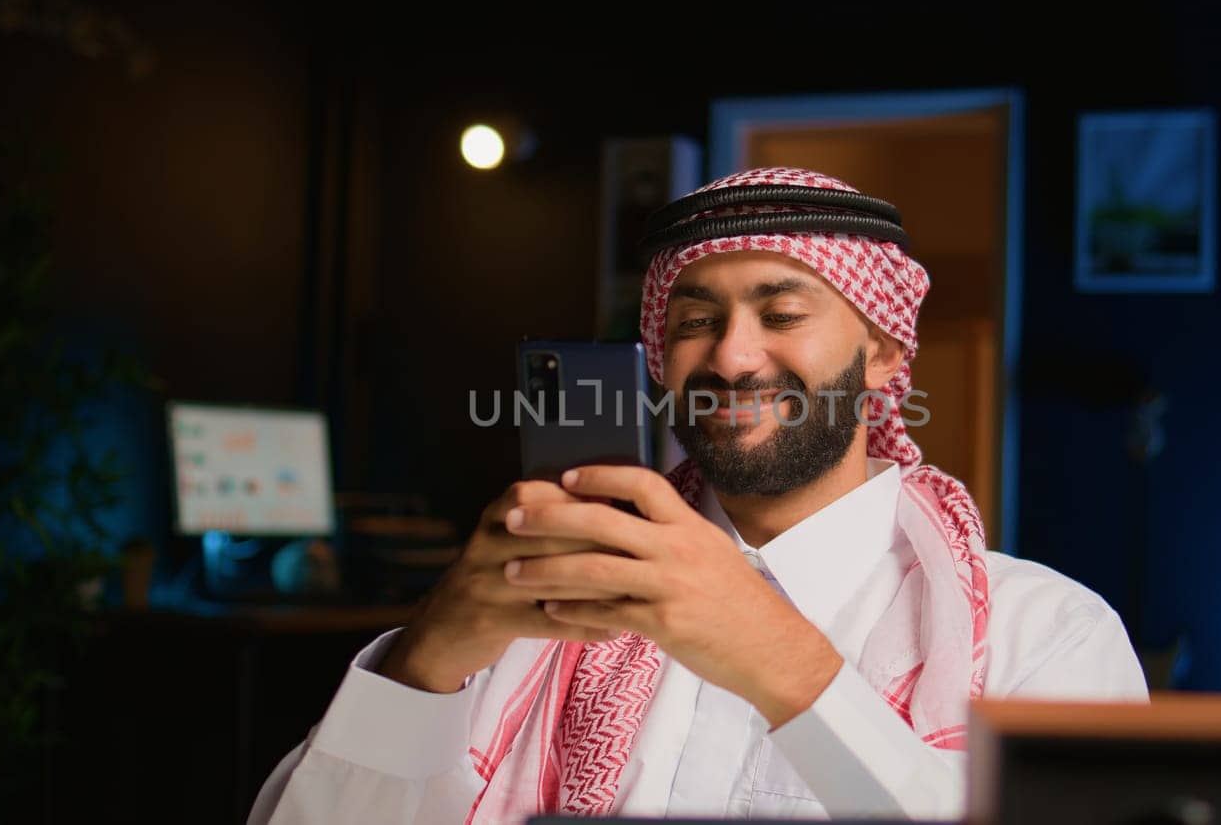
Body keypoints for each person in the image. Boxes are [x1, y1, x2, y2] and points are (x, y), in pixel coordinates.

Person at [248, 167, 1147, 824]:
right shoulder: (538, 606)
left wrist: (787, 669)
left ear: (881, 354)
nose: (730, 356)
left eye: (783, 313)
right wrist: (426, 661)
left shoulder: (1047, 635)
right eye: (695, 321)